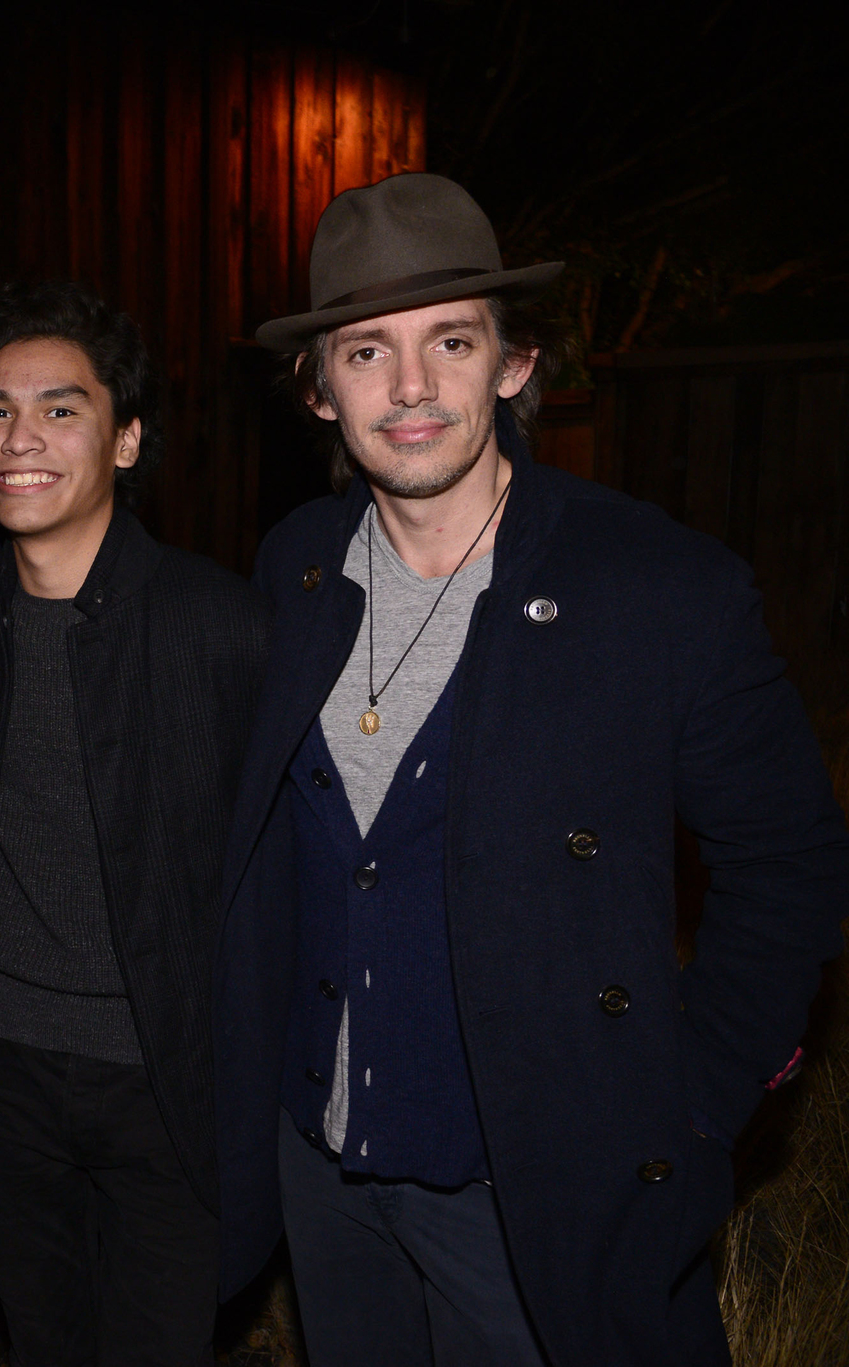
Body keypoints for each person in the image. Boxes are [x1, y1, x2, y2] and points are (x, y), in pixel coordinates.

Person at [212, 172, 849, 1366]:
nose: (407, 388)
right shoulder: (294, 565)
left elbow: (790, 864)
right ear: (316, 390)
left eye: (448, 341)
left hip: (531, 1183)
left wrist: (692, 1105)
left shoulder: (656, 588)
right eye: (364, 352)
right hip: (324, 1170)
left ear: (511, 364)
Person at [0, 282, 267, 1366]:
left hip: (162, 1078)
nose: (21, 439)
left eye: (61, 409)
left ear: (126, 438)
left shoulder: (221, 624)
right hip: (4, 1066)